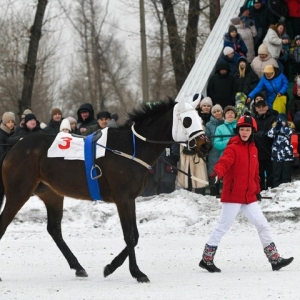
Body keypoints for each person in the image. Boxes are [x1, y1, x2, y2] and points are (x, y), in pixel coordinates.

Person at [199, 114, 294, 273]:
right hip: (233, 195)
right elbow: (224, 162)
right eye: (242, 129)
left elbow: (255, 174)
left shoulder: (253, 149)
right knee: (223, 227)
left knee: (262, 224)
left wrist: (256, 191)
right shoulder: (233, 147)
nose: (244, 132)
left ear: (252, 131)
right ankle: (206, 259)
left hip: (249, 196)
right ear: (238, 130)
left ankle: (274, 259)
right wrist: (217, 173)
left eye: (247, 129)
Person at [253, 99, 277, 189]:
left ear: (267, 107)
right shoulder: (253, 119)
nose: (261, 108)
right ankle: (261, 189)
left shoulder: (272, 118)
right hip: (257, 150)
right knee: (259, 173)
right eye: (259, 107)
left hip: (269, 149)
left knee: (270, 172)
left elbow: (273, 131)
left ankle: (271, 189)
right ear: (256, 109)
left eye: (263, 106)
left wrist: (264, 133)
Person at [267, 113, 293, 187]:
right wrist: (276, 128)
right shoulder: (275, 129)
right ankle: (276, 188)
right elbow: (269, 134)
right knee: (276, 174)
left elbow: (289, 132)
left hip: (287, 156)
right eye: (280, 121)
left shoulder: (289, 128)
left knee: (286, 175)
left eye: (283, 121)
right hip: (276, 156)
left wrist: (281, 128)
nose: (282, 122)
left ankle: (286, 190)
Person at [205, 104, 224, 196]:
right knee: (214, 175)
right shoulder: (208, 125)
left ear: (222, 111)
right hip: (213, 153)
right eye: (214, 112)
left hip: (224, 152)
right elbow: (207, 138)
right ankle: (214, 196)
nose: (217, 113)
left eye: (218, 111)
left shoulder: (226, 123)